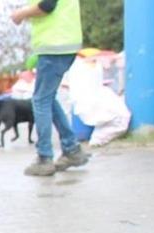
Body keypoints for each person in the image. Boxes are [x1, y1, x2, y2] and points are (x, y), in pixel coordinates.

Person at [11, 0, 92, 176]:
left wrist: (21, 13)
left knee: (40, 100)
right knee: (47, 98)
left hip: (54, 46)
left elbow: (47, 5)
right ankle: (72, 150)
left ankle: (44, 158)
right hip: (64, 44)